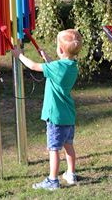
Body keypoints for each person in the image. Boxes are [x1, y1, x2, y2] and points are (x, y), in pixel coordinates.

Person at [12, 29, 82, 190]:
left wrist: (19, 55)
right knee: (68, 146)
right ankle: (70, 174)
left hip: (55, 116)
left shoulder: (57, 67)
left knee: (54, 149)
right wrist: (46, 57)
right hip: (68, 115)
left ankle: (52, 180)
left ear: (61, 50)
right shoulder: (72, 66)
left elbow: (33, 65)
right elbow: (56, 68)